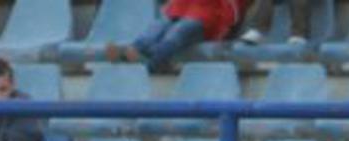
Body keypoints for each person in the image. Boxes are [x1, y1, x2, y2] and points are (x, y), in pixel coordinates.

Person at [107, 0, 252, 71]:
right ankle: (131, 52)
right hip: (178, 13)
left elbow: (233, 9)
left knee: (177, 33)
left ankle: (147, 63)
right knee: (156, 28)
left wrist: (224, 31)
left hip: (205, 21)